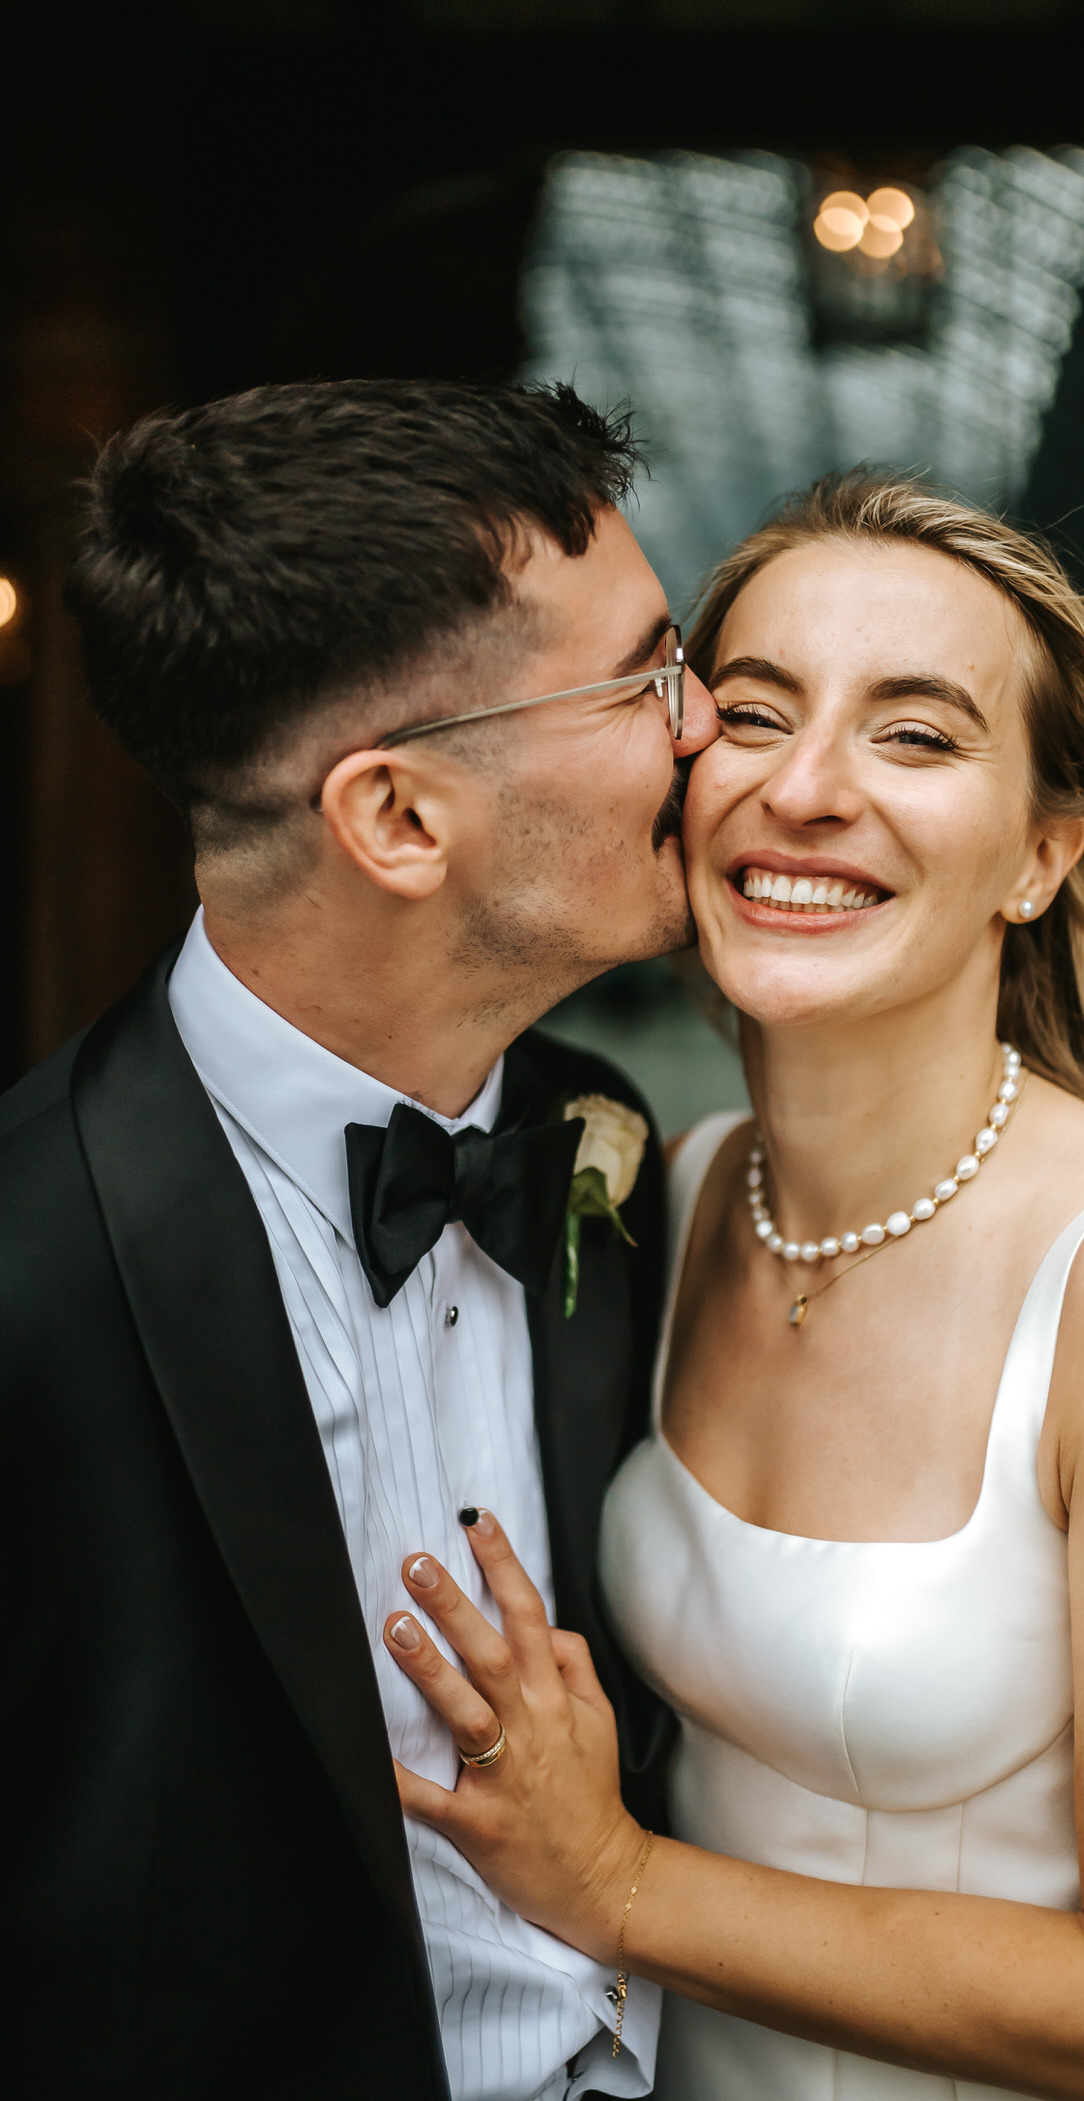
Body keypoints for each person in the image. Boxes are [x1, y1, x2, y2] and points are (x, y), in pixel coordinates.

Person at [378, 474, 1084, 2101]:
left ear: (1042, 854)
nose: (807, 788)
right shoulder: (691, 1186)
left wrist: (618, 1880)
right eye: (757, 715)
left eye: (915, 735)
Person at [0, 378, 719, 2101]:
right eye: (644, 676)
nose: (708, 725)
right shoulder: (27, 1265)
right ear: (398, 820)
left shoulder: (594, 1130)